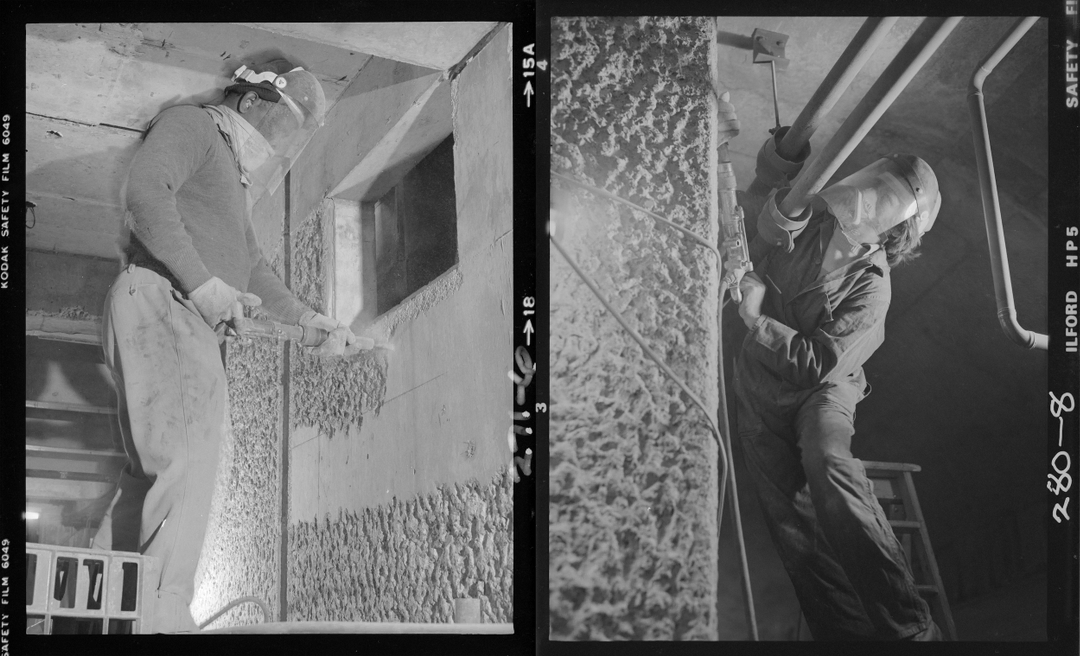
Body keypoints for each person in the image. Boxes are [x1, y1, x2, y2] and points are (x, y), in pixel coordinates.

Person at [91, 59, 355, 633]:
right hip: (167, 302)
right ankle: (159, 620)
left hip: (157, 304)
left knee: (151, 472)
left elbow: (253, 268)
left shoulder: (231, 181)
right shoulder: (193, 126)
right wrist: (203, 285)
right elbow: (144, 192)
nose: (287, 146)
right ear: (256, 99)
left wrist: (315, 323)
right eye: (291, 125)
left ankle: (102, 615)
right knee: (187, 463)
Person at [730, 154, 944, 641]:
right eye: (875, 186)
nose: (869, 199)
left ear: (898, 228)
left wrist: (756, 317)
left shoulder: (873, 290)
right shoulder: (811, 224)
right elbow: (757, 217)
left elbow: (816, 365)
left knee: (827, 463)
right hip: (760, 385)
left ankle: (910, 627)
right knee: (793, 528)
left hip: (821, 393)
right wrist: (779, 161)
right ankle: (845, 638)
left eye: (887, 200)